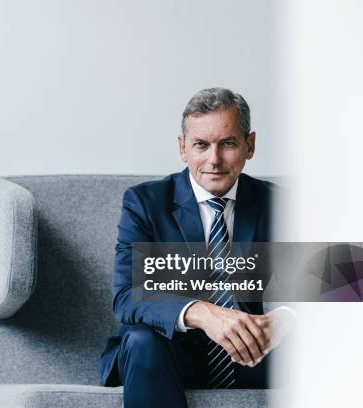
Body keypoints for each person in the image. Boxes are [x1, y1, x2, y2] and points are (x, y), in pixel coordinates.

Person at [98, 87, 294, 408]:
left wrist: (284, 319)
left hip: (251, 354)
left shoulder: (279, 203)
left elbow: (332, 283)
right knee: (141, 339)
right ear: (182, 148)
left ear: (250, 145)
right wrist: (200, 313)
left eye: (228, 144)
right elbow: (127, 295)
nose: (213, 160)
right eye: (201, 145)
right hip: (169, 354)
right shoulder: (146, 202)